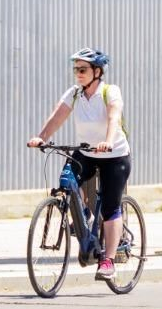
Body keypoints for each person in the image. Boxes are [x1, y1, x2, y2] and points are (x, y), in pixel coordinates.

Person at [27, 48, 130, 280]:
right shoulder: (74, 94)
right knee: (66, 181)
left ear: (97, 71)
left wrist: (108, 141)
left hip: (114, 156)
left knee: (111, 207)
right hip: (86, 152)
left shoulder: (109, 92)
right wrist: (41, 137)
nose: (78, 74)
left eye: (82, 69)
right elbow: (58, 116)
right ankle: (85, 216)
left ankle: (108, 261)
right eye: (76, 70)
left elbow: (114, 117)